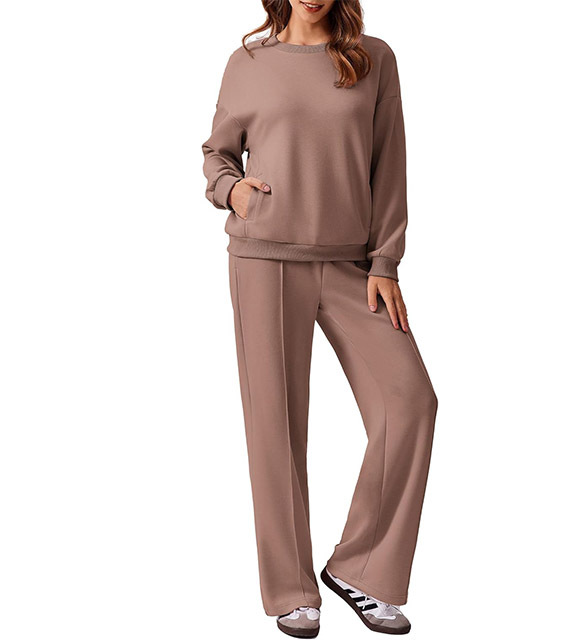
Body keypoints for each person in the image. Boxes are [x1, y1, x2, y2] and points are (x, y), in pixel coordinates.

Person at [201, 1, 438, 636]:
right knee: (275, 426)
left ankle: (363, 569)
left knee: (410, 402)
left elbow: (389, 164)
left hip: (353, 265)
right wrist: (232, 190)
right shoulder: (248, 62)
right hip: (264, 259)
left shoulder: (373, 58)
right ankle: (291, 591)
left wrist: (386, 261)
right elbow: (216, 155)